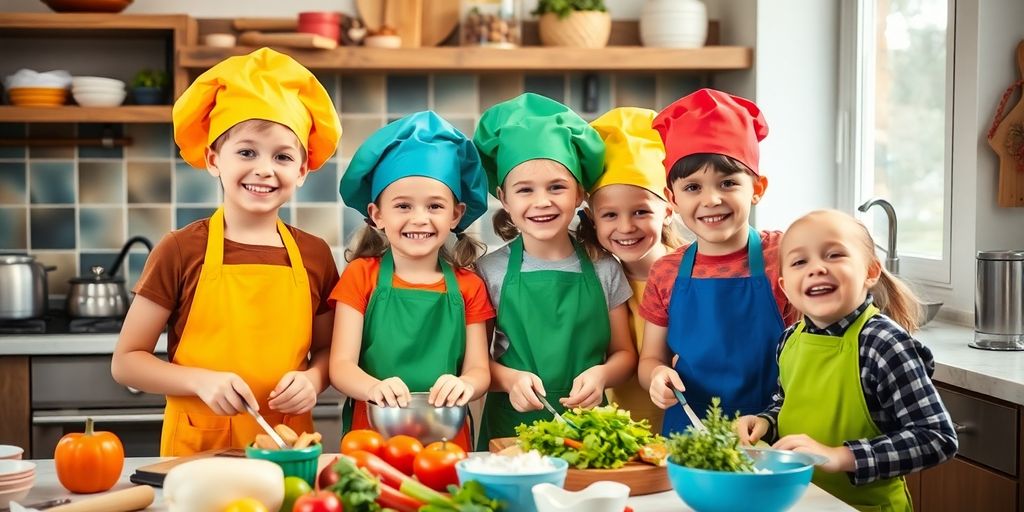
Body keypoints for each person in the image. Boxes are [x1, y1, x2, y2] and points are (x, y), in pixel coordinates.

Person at [111, 48, 343, 456]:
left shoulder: (315, 254)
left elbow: (326, 351)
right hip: (197, 449)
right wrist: (200, 381)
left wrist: (313, 380)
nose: (264, 169)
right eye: (247, 152)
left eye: (283, 156)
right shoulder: (180, 249)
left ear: (303, 171)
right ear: (214, 160)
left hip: (285, 447)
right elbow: (127, 361)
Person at [735, 209, 957, 512]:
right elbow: (787, 402)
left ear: (870, 272)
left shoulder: (883, 344)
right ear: (786, 287)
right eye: (801, 262)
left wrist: (841, 456)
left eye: (834, 255)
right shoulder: (789, 339)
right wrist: (766, 422)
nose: (816, 269)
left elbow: (936, 438)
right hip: (800, 503)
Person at [473, 93, 637, 449]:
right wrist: (510, 379)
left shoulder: (605, 267)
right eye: (524, 190)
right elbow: (475, 362)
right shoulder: (488, 271)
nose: (542, 201)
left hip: (591, 428)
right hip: (510, 428)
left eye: (557, 187)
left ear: (579, 194)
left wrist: (602, 374)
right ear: (504, 197)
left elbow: (625, 354)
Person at [637, 88, 798, 435]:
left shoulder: (784, 256)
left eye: (727, 183)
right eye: (693, 187)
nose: (711, 199)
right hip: (688, 436)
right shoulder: (666, 271)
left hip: (772, 433)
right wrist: (656, 376)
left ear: (757, 188)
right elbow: (651, 359)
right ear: (672, 199)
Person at [330, 111, 493, 451]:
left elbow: (479, 369)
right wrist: (372, 388)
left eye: (435, 206)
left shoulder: (469, 286)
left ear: (456, 215)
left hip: (448, 441)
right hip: (371, 435)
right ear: (377, 215)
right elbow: (341, 366)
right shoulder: (361, 276)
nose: (419, 218)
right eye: (403, 205)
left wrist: (465, 384)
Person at [577, 107, 684, 434]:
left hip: (687, 433)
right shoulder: (597, 278)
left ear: (667, 209)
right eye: (609, 215)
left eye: (640, 211)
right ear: (592, 218)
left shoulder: (693, 274)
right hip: (622, 435)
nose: (626, 227)